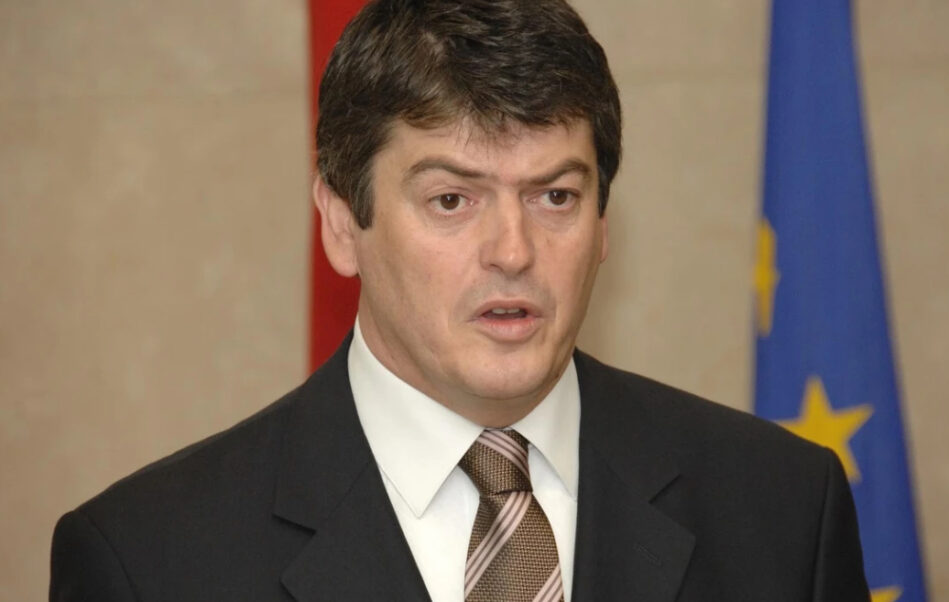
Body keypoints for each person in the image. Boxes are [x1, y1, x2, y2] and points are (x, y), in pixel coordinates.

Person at [50, 0, 870, 600]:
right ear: (341, 223)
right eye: (452, 200)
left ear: (603, 224)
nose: (513, 251)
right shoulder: (148, 560)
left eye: (555, 196)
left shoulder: (782, 507)